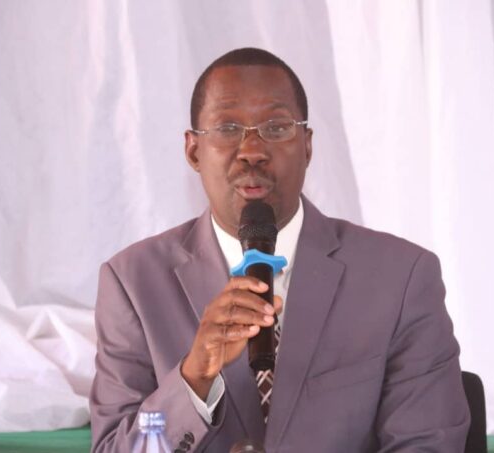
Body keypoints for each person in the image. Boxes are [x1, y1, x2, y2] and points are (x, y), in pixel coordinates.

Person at [89, 48, 470, 452]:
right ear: (193, 151)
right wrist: (194, 378)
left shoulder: (401, 278)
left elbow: (428, 444)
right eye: (227, 128)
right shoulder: (132, 283)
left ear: (307, 146)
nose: (251, 150)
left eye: (276, 127)